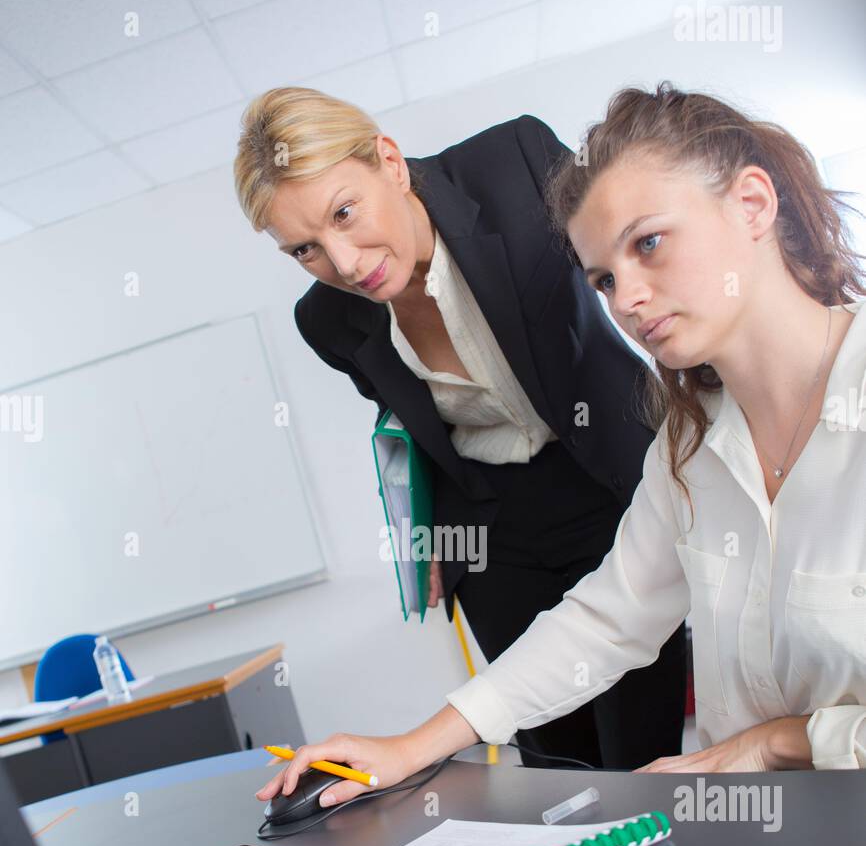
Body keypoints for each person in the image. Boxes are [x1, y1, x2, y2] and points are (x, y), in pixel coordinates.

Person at [256, 79, 866, 814]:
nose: (628, 300)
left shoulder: (511, 171)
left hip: (594, 482)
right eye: (602, 277)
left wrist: (774, 744)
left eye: (649, 244)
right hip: (758, 829)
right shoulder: (691, 447)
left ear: (753, 206)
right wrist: (407, 749)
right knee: (560, 774)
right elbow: (608, 619)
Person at [233, 89, 686, 771]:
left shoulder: (517, 166)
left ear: (388, 160)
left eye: (344, 214)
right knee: (549, 753)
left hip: (609, 478)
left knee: (639, 748)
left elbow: (636, 265)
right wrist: (433, 531)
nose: (346, 263)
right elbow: (413, 426)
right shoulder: (325, 323)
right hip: (495, 529)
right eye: (306, 249)